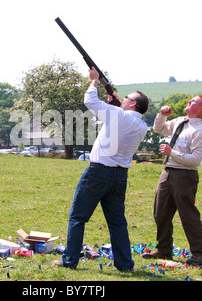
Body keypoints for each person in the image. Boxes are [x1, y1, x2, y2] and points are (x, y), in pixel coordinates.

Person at [53, 67, 149, 271]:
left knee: (77, 218)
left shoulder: (119, 115)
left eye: (126, 98)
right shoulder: (142, 127)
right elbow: (118, 122)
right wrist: (115, 104)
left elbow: (90, 101)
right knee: (117, 223)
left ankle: (69, 261)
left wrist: (95, 81)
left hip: (98, 173)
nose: (122, 98)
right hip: (120, 176)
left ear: (132, 104)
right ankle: (125, 265)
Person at [142, 95, 202, 266]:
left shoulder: (200, 132)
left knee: (188, 215)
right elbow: (159, 129)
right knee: (160, 213)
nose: (189, 102)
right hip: (167, 172)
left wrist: (171, 152)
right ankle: (164, 250)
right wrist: (162, 115)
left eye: (193, 102)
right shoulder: (180, 121)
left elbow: (195, 160)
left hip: (185, 176)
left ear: (201, 109)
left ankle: (200, 254)